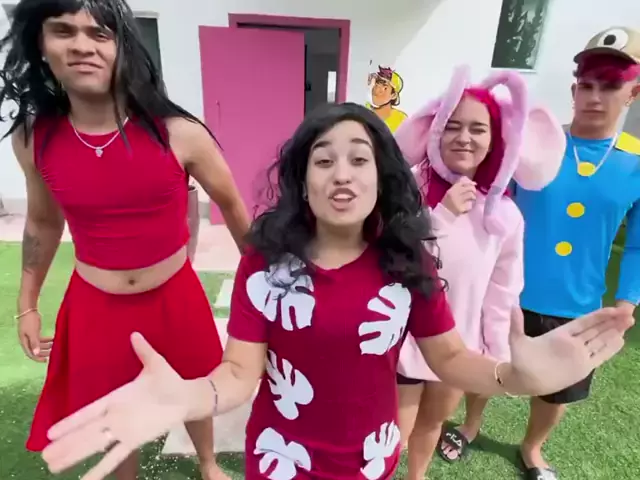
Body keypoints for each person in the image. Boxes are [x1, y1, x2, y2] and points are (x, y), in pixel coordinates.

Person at [38, 102, 633, 480]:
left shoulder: (409, 261)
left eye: (359, 159)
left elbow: (449, 358)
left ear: (382, 177)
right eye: (323, 161)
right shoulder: (266, 265)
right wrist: (189, 398)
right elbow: (240, 373)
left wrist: (514, 377)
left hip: (371, 458)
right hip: (280, 458)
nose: (342, 173)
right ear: (302, 181)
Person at [0, 0, 250, 479]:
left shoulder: (179, 132)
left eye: (99, 34)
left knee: (193, 384)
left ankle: (207, 462)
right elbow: (43, 223)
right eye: (64, 31)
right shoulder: (33, 138)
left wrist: (267, 290)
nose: (82, 46)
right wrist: (26, 304)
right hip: (94, 307)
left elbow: (235, 208)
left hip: (174, 296)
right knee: (110, 408)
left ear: (123, 48)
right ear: (41, 44)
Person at [393, 66, 566, 478]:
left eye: (477, 128)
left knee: (433, 423)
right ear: (435, 130)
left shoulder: (504, 213)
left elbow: (502, 291)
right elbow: (389, 256)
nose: (464, 137)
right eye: (452, 126)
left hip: (460, 345)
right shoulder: (408, 190)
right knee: (393, 434)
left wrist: (497, 353)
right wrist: (441, 216)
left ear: (495, 139)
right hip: (401, 339)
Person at [511, 26, 640, 479]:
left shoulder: (636, 163)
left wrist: (626, 303)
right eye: (586, 85)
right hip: (509, 293)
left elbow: (638, 245)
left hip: (578, 305)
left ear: (633, 93)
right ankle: (469, 425)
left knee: (557, 390)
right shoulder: (535, 145)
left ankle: (532, 448)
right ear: (573, 91)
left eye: (610, 86)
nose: (595, 97)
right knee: (490, 370)